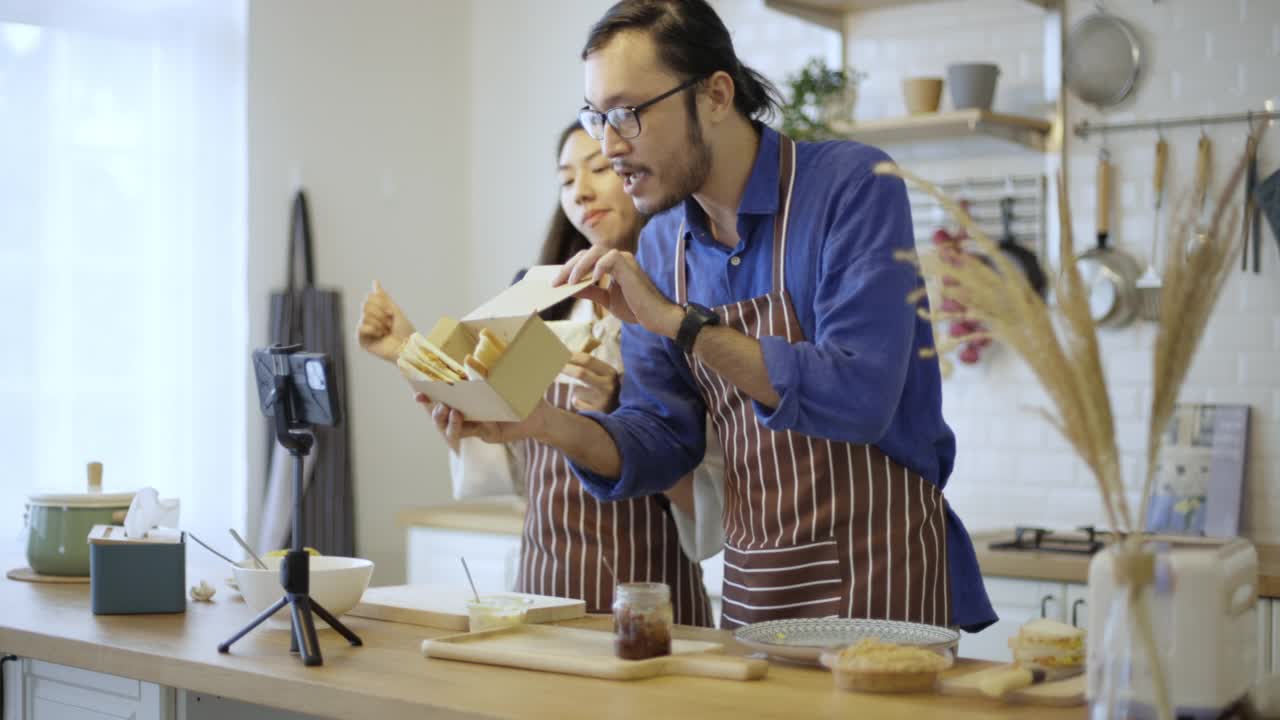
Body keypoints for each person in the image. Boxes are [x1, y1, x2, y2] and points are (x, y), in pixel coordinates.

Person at [431, 0, 997, 633]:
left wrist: (681, 324)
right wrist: (543, 423)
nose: (610, 146)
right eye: (598, 119)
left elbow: (859, 393)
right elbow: (660, 442)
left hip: (881, 576)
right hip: (755, 587)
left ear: (716, 96)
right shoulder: (662, 244)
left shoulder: (851, 187)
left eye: (628, 115)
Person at [357, 122, 721, 627]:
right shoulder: (533, 299)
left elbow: (708, 506)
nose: (582, 191)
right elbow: (501, 459)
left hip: (648, 600)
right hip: (540, 589)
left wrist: (623, 422)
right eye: (567, 179)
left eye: (599, 169)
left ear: (639, 174)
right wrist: (407, 351)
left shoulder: (678, 308)